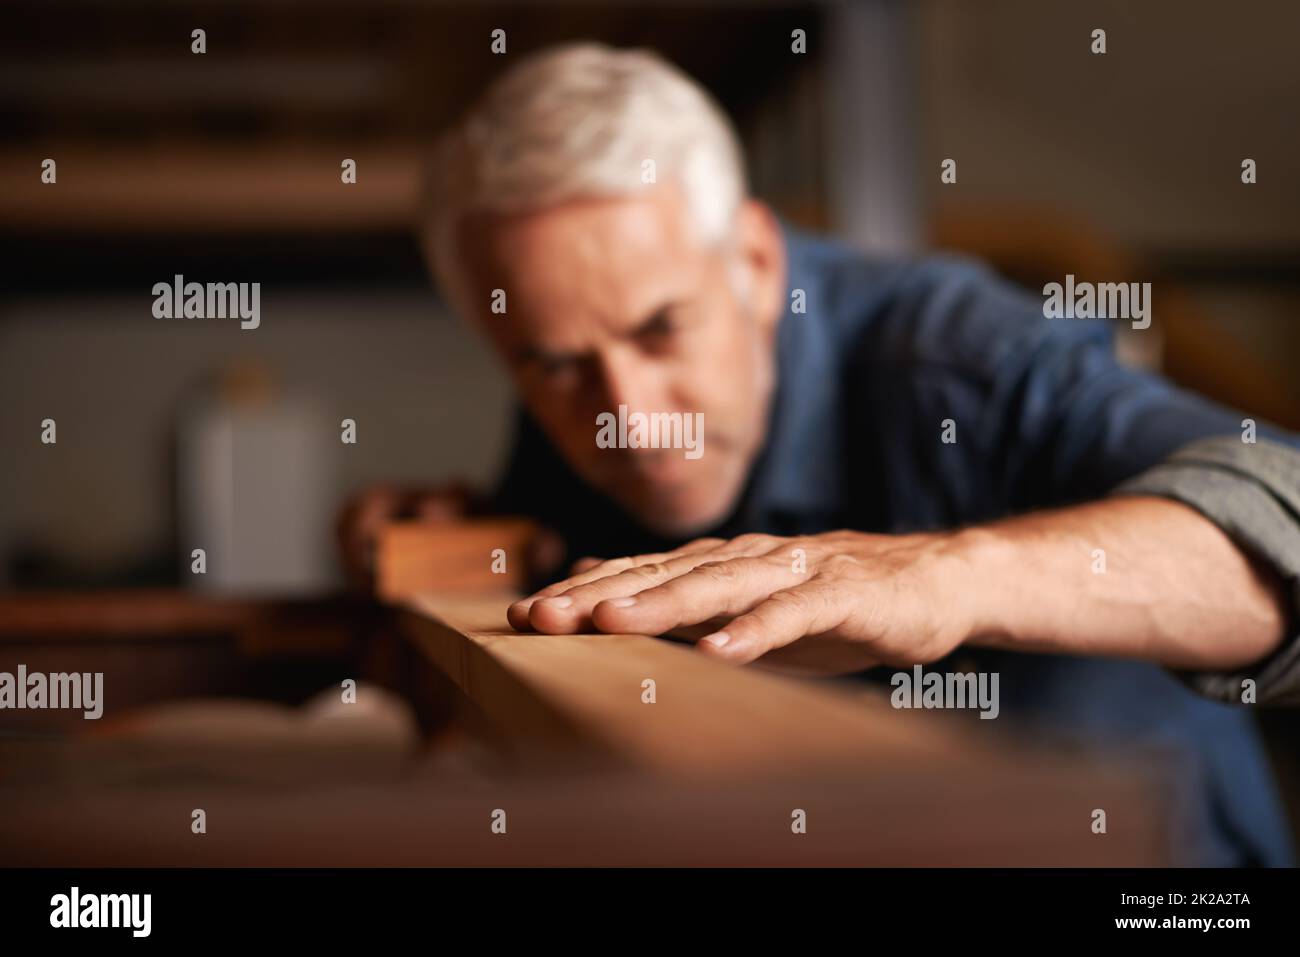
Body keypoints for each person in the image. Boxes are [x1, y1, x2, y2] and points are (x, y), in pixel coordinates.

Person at [339, 44, 1300, 866]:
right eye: (552, 364)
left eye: (663, 327)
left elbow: (1285, 512)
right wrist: (457, 541)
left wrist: (944, 575)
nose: (629, 417)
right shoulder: (579, 395)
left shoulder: (964, 358)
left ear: (755, 264)